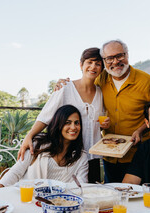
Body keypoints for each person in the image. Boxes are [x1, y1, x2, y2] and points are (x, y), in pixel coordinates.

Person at [56, 39, 150, 183]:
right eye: (109, 58)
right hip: (109, 153)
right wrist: (62, 83)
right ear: (104, 61)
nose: (115, 62)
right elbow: (82, 86)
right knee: (111, 195)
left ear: (127, 55)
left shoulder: (146, 81)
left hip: (138, 152)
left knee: (136, 197)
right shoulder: (100, 80)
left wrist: (140, 130)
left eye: (119, 56)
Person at [17, 47, 110, 183]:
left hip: (93, 156)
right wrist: (30, 135)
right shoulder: (65, 88)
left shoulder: (100, 93)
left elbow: (95, 124)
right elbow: (46, 115)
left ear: (102, 68)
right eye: (89, 62)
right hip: (71, 156)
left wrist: (104, 125)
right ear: (81, 64)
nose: (93, 67)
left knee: (91, 197)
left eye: (98, 64)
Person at [0, 105, 88, 187]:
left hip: (61, 204)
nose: (73, 127)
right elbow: (16, 172)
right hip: (30, 200)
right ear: (58, 124)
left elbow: (82, 186)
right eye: (67, 122)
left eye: (77, 123)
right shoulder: (38, 144)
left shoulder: (81, 157)